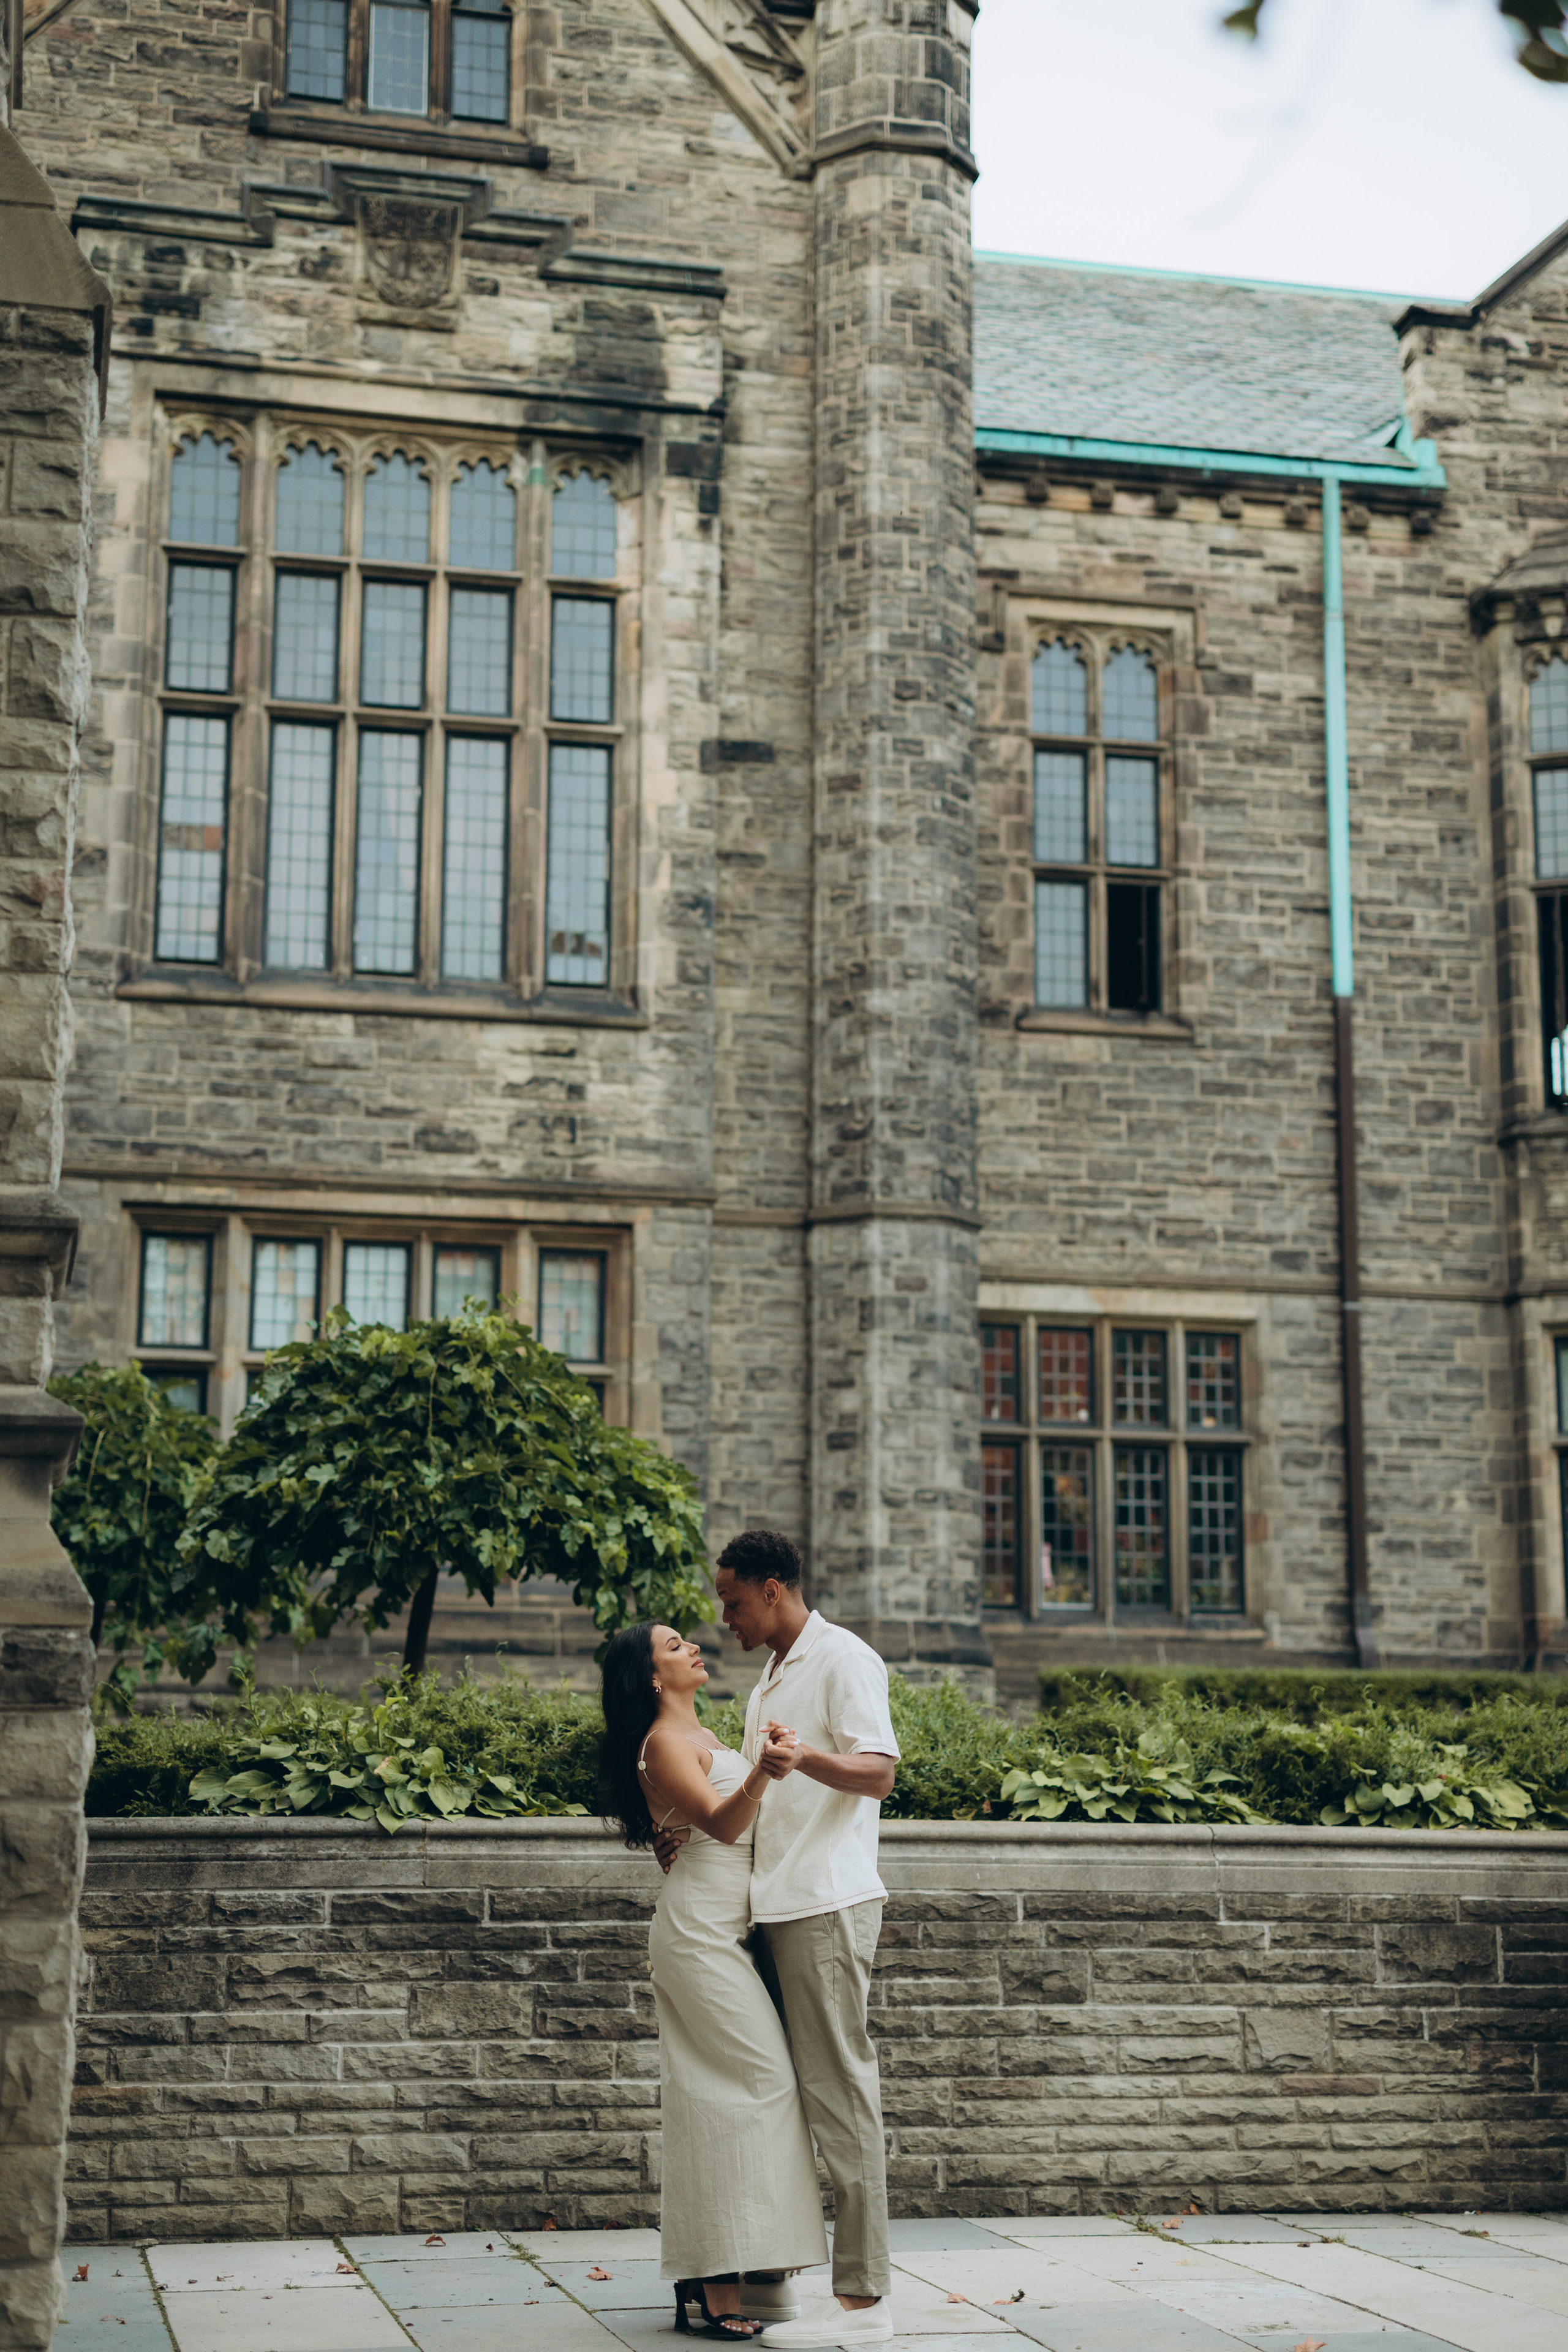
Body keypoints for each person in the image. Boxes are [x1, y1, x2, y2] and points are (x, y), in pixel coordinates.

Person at [659, 1529, 900, 2351]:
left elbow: (878, 1772)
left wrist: (806, 1760)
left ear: (770, 1589)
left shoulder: (842, 1660)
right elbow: (744, 1800)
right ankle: (773, 2284)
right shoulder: (769, 1680)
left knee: (840, 2097)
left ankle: (867, 2303)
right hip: (771, 1909)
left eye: (730, 1602)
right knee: (784, 2102)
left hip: (824, 1906)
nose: (722, 1619)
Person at [598, 1619, 829, 2340]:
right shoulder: (663, 1742)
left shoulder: (707, 1737)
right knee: (760, 2086)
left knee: (725, 2097)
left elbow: (713, 1831)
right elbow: (723, 1828)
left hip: (732, 1928)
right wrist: (765, 1769)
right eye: (674, 1646)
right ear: (651, 1678)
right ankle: (719, 2274)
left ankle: (722, 2271)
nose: (693, 1646)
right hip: (698, 1935)